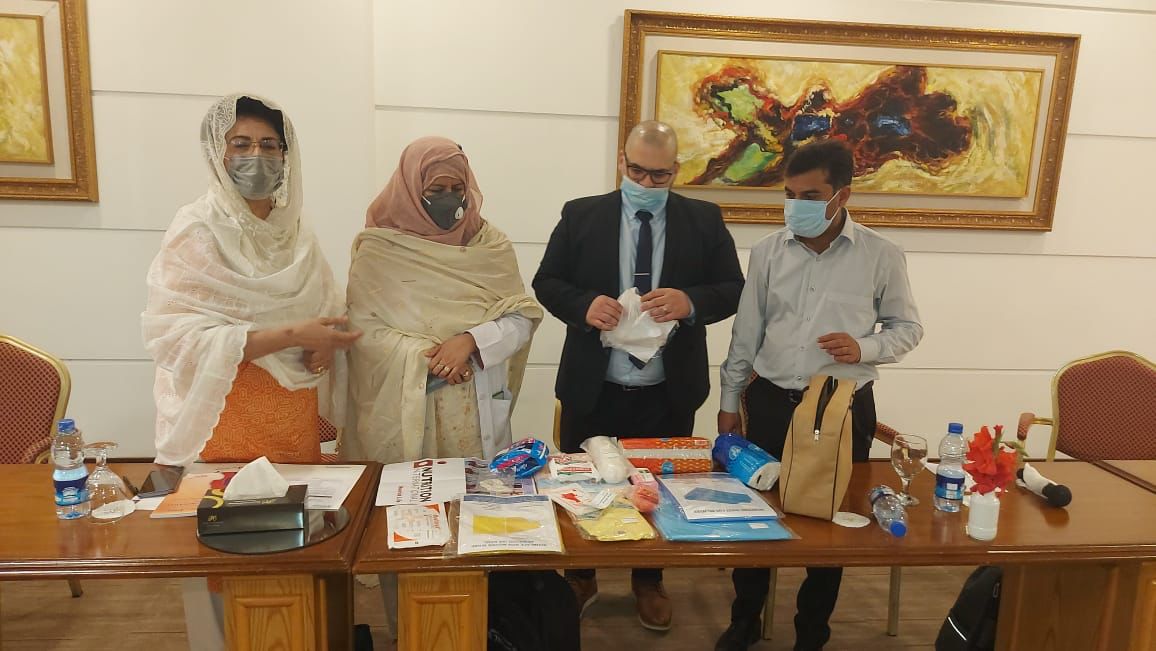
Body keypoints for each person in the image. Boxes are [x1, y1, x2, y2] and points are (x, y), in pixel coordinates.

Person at [142, 93, 359, 650]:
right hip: (228, 414)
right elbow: (177, 336)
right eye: (240, 144)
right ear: (218, 151)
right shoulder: (197, 230)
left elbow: (323, 309)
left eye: (269, 145)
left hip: (291, 418)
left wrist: (322, 347)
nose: (255, 157)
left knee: (297, 537)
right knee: (233, 542)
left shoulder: (296, 234)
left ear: (287, 156)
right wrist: (292, 336)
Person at [533, 120, 744, 631]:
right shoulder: (582, 214)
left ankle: (648, 579)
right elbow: (547, 282)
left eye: (661, 175)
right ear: (621, 162)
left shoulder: (703, 219)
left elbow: (733, 288)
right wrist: (584, 305)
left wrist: (690, 301)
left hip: (668, 389)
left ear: (677, 171)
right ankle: (582, 576)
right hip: (593, 384)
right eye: (638, 171)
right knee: (587, 485)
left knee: (658, 488)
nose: (647, 184)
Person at [715, 139, 924, 651]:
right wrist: (728, 399)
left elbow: (908, 328)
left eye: (810, 194)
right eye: (789, 193)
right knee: (756, 513)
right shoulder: (767, 252)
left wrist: (864, 345)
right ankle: (745, 619)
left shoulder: (880, 255)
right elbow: (747, 331)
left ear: (842, 195)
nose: (796, 206)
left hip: (840, 404)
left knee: (831, 521)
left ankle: (812, 630)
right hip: (768, 401)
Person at [344, 136, 543, 464]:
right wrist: (435, 361)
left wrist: (471, 342)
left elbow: (521, 317)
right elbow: (364, 332)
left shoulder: (490, 246)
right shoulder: (380, 251)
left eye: (457, 189)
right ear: (409, 188)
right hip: (410, 412)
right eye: (436, 191)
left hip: (477, 405)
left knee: (477, 507)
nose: (449, 199)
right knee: (411, 511)